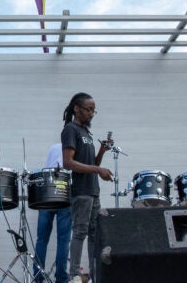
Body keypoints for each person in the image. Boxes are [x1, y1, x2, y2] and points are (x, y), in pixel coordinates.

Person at [61, 93, 114, 283]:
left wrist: (102, 151)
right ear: (77, 109)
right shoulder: (71, 129)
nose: (92, 113)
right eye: (88, 109)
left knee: (94, 233)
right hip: (81, 191)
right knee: (80, 231)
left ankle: (94, 272)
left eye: (94, 110)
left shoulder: (86, 133)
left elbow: (92, 163)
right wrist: (98, 169)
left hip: (93, 190)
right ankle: (74, 274)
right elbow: (68, 163)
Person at [33, 143, 71, 283]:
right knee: (64, 240)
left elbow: (47, 168)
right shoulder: (74, 149)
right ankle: (60, 278)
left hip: (46, 195)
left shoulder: (54, 147)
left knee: (41, 239)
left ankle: (38, 276)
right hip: (64, 194)